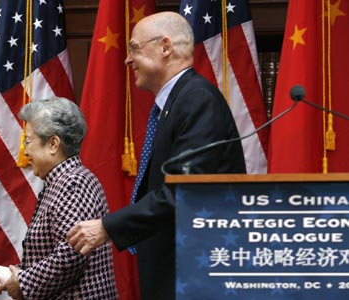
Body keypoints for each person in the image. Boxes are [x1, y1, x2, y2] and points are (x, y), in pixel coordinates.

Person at [67, 11, 246, 300]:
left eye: (135, 49)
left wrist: (107, 227)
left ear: (166, 47)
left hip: (194, 274)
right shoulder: (178, 101)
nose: (127, 59)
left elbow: (185, 191)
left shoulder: (197, 100)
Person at [0, 97, 118, 299]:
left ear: (53, 144)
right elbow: (54, 251)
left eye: (28, 141)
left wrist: (22, 282)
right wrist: (17, 274)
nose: (24, 150)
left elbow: (71, 256)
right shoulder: (60, 181)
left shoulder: (73, 183)